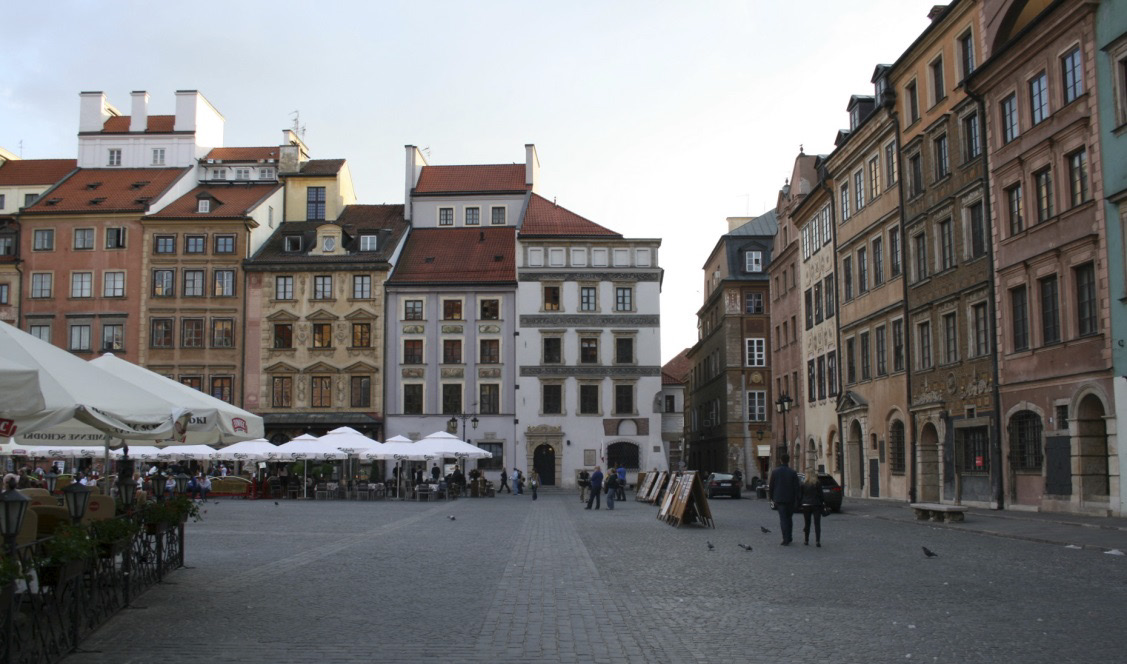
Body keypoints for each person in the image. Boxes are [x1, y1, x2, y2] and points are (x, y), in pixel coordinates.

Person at [768, 453, 801, 546]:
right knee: (789, 518)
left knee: (783, 519)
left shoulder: (775, 472)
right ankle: (789, 536)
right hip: (790, 499)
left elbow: (771, 486)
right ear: (788, 460)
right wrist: (797, 499)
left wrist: (771, 498)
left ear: (781, 460)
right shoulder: (793, 472)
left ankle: (785, 538)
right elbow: (796, 487)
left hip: (779, 499)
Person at [799, 472, 826, 547]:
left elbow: (800, 495)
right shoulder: (817, 483)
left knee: (807, 523)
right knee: (817, 524)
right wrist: (822, 502)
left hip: (806, 505)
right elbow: (821, 495)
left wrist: (801, 503)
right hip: (816, 504)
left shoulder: (803, 484)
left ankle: (806, 540)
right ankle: (817, 541)